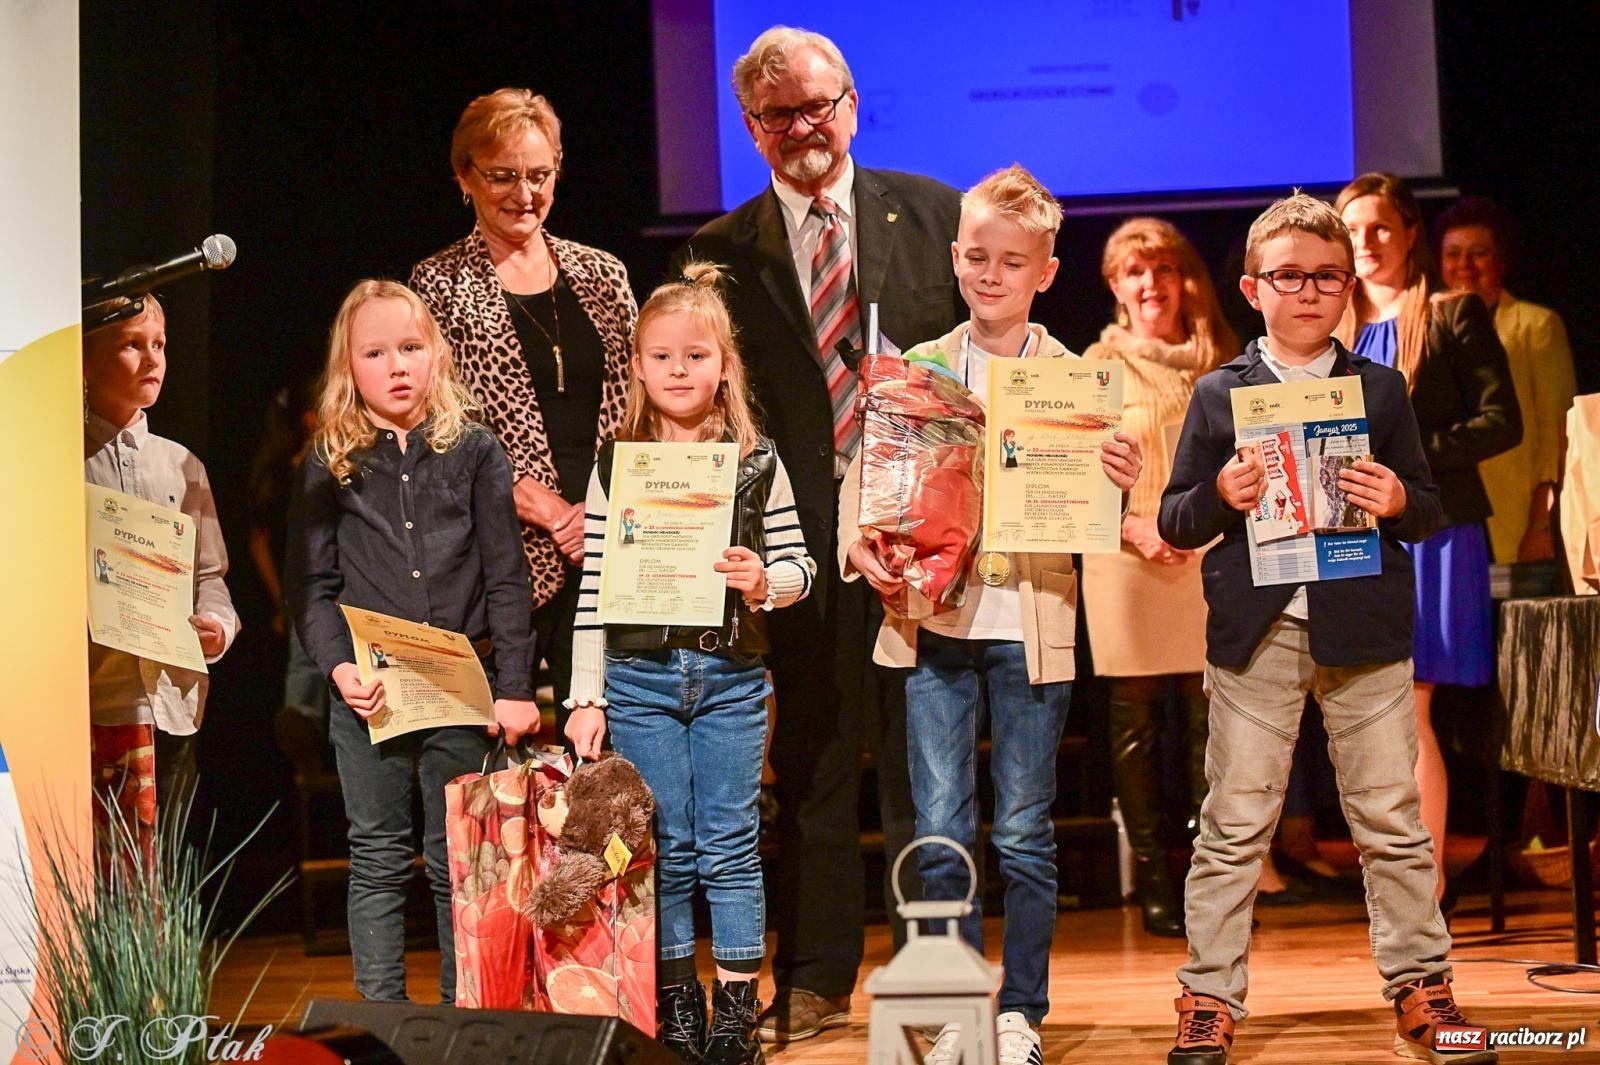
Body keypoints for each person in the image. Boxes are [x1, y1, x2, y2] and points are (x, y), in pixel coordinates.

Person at [672, 26, 965, 1041]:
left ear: (852, 100)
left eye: (820, 104)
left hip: (924, 533)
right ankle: (813, 973)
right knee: (813, 762)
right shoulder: (717, 253)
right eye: (780, 114)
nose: (806, 127)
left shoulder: (934, 212)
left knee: (933, 762)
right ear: (751, 129)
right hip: (796, 544)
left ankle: (938, 967)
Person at [1160, 192, 1494, 1065]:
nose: (1308, 292)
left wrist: (1396, 501)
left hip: (1365, 628)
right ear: (1251, 286)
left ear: (1348, 287)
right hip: (1257, 633)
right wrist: (1219, 497)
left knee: (1390, 818)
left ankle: (1423, 986)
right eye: (1289, 276)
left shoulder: (1379, 388)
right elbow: (1176, 518)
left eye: (1326, 277)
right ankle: (1208, 996)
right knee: (1234, 822)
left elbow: (1424, 505)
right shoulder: (1218, 392)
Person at [841, 164, 1142, 1065]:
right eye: (977, 256)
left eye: (1012, 261)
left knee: (1021, 829)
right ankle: (959, 1007)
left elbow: (1106, 512)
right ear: (955, 257)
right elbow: (875, 478)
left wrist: (1118, 479)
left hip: (1031, 628)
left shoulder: (1079, 381)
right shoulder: (920, 368)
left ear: (1046, 272)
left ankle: (1021, 1013)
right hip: (934, 627)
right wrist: (859, 530)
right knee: (938, 828)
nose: (991, 273)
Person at [565, 263, 816, 1065]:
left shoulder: (756, 461)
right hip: (639, 681)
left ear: (725, 365)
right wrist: (584, 695)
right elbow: (594, 584)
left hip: (731, 681)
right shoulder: (617, 465)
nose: (680, 371)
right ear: (637, 367)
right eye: (663, 357)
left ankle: (735, 1014)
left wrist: (763, 580)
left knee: (730, 844)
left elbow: (801, 566)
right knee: (662, 848)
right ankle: (677, 1011)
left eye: (697, 356)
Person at [286, 280, 539, 1004]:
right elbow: (312, 585)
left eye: (410, 347)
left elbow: (506, 578)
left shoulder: (475, 451)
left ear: (436, 355)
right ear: (349, 367)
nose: (396, 365)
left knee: (458, 858)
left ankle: (461, 1023)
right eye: (375, 352)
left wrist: (516, 686)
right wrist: (338, 668)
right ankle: (382, 1026)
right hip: (370, 691)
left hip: (459, 687)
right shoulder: (329, 459)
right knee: (376, 855)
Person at [411, 88, 637, 729]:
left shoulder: (603, 274)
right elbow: (439, 426)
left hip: (609, 543)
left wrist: (598, 508)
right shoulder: (439, 284)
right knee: (503, 755)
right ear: (464, 177)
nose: (525, 194)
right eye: (503, 176)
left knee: (608, 753)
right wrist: (547, 509)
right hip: (504, 549)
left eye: (540, 175)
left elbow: (644, 403)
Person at [1336, 174, 1520, 902]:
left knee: (1409, 705)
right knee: (1365, 710)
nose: (1367, 242)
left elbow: (1503, 421)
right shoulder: (1326, 331)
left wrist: (1407, 458)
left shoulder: (1450, 314)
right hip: (1348, 531)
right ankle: (1400, 879)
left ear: (1411, 233)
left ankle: (1425, 883)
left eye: (1381, 227)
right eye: (1353, 229)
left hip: (1432, 533)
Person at [1081, 217, 1235, 936]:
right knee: (1138, 726)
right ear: (1115, 287)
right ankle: (1152, 880)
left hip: (1210, 550)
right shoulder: (1095, 368)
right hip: (1126, 554)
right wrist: (1139, 528)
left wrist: (1196, 523)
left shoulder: (1225, 360)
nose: (1150, 284)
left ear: (1185, 280)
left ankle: (1211, 876)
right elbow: (1074, 477)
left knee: (1213, 724)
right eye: (1134, 272)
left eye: (1162, 270)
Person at [84, 294, 239, 818]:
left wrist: (218, 624)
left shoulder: (182, 465)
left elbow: (210, 573)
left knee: (162, 869)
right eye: (132, 345)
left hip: (170, 707)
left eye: (160, 345)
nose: (152, 359)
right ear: (85, 358)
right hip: (92, 700)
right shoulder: (62, 460)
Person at [1433, 195, 1576, 565]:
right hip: (1447, 518)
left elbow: (1557, 434)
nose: (1464, 265)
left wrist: (1541, 525)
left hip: (1517, 516)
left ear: (1501, 259)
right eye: (1453, 253)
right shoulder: (1425, 325)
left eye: (1477, 253)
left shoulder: (1536, 325)